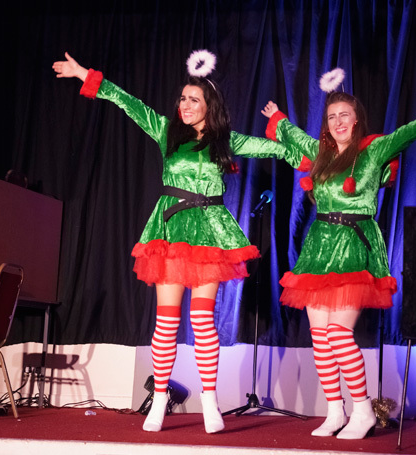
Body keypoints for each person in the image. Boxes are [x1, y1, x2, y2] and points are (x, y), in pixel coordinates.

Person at [53, 51, 301, 434]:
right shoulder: (167, 131)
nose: (185, 105)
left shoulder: (226, 141)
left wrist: (305, 145)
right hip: (170, 235)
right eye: (182, 99)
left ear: (209, 106)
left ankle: (209, 401)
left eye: (194, 100)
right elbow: (126, 101)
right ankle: (162, 397)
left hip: (210, 236)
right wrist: (83, 73)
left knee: (203, 321)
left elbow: (278, 149)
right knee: (166, 322)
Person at [261, 77, 416, 439]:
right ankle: (334, 411)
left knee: (339, 335)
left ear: (356, 121)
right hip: (319, 249)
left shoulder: (373, 151)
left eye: (345, 115)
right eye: (332, 116)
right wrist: (278, 117)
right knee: (320, 337)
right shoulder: (320, 154)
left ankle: (362, 411)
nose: (338, 122)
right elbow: (292, 137)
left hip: (354, 246)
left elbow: (413, 129)